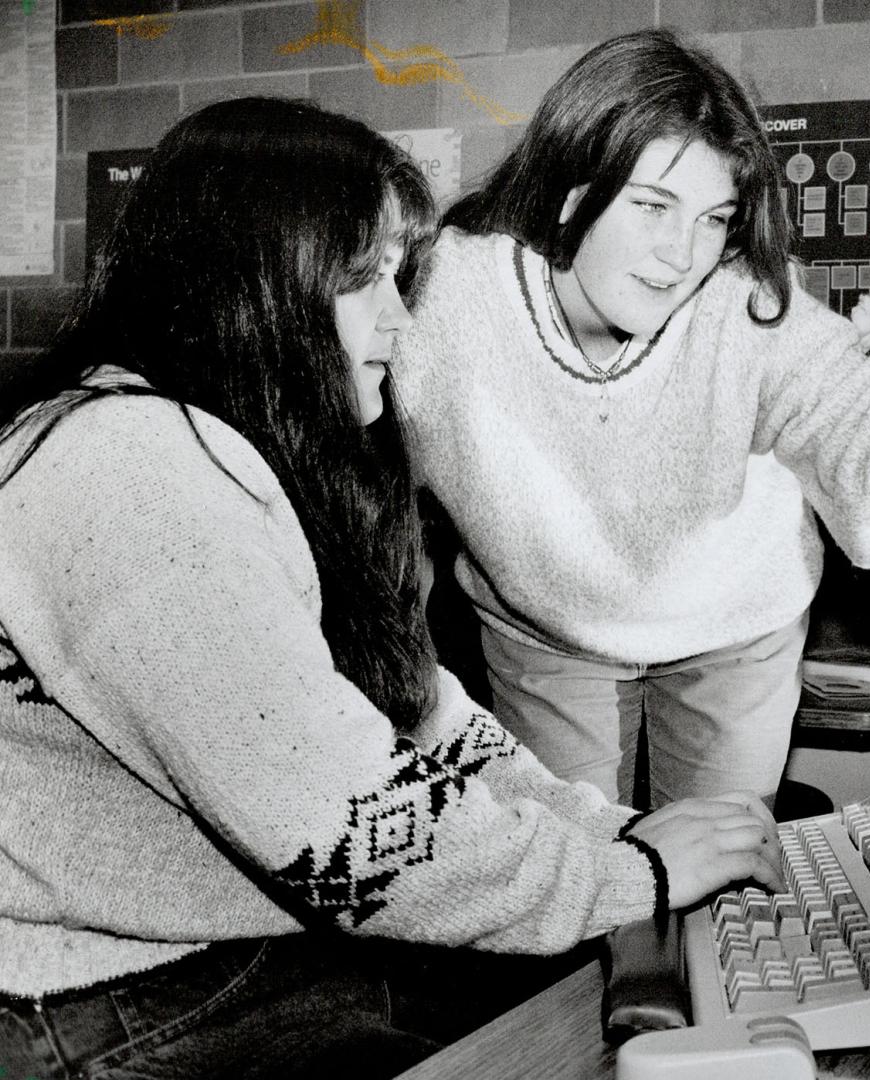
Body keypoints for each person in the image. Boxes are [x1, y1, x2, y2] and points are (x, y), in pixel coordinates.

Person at [0, 96, 780, 1080]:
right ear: (257, 283)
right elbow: (343, 827)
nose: (401, 323)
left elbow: (419, 725)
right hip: (100, 1005)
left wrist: (613, 834)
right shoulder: (127, 464)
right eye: (366, 279)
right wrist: (634, 873)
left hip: (196, 960)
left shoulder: (219, 448)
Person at [395, 28, 870, 809]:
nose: (679, 254)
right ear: (570, 186)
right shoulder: (451, 297)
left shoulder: (748, 310)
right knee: (577, 876)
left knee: (720, 884)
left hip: (734, 626)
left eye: (711, 218)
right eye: (652, 206)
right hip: (547, 629)